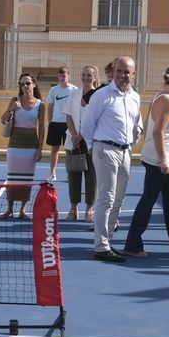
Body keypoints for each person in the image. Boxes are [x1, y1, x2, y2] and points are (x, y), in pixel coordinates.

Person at [124, 65, 169, 256]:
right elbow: (157, 131)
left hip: (159, 159)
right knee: (148, 201)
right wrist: (163, 161)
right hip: (159, 161)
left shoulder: (163, 97)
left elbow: (151, 124)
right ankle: (132, 244)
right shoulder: (167, 101)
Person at [80, 56, 142, 261]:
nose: (122, 75)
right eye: (119, 71)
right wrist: (93, 146)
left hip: (125, 152)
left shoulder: (134, 97)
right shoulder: (102, 95)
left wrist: (132, 141)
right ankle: (101, 246)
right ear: (113, 72)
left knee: (118, 200)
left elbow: (137, 123)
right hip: (105, 150)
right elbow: (87, 124)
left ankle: (109, 242)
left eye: (127, 72)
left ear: (133, 74)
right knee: (106, 198)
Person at [0, 74, 46, 219]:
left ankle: (23, 210)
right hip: (14, 145)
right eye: (22, 84)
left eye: (28, 83)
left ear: (34, 85)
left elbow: (42, 128)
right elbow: (3, 120)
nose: (25, 86)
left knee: (27, 179)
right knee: (12, 178)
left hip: (31, 145)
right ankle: (10, 209)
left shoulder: (41, 104)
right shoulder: (15, 100)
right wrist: (11, 109)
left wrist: (40, 149)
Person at [62, 64, 100, 222]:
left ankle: (89, 208)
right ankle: (73, 208)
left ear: (95, 78)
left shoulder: (98, 95)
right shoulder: (74, 94)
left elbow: (96, 120)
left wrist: (82, 136)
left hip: (90, 142)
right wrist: (74, 135)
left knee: (92, 177)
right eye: (83, 75)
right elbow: (68, 116)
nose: (86, 78)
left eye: (89, 75)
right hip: (73, 141)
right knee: (73, 175)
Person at [45, 66, 76, 181]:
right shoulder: (53, 90)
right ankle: (52, 173)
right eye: (60, 76)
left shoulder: (74, 90)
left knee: (70, 151)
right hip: (56, 124)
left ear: (68, 75)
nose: (62, 78)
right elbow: (50, 107)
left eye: (64, 75)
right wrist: (50, 123)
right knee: (55, 150)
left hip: (69, 124)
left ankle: (71, 174)